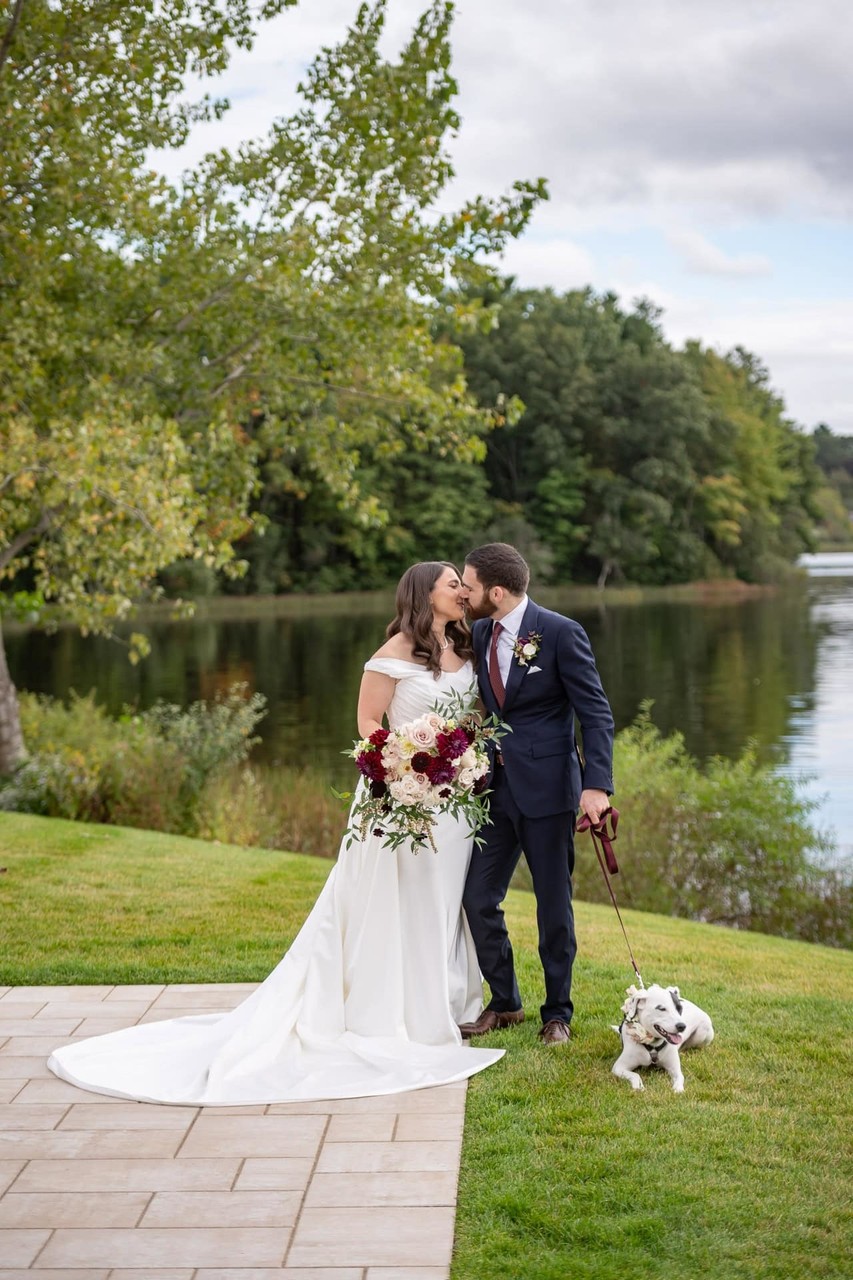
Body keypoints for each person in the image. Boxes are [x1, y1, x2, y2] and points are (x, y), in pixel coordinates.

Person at [47, 562, 504, 1104]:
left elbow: (475, 713)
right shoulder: (391, 655)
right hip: (403, 799)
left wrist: (463, 759)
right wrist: (410, 765)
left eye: (461, 583)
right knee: (398, 901)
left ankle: (449, 1002)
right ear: (423, 594)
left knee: (444, 900)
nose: (461, 591)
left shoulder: (468, 646)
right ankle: (393, 1011)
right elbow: (368, 726)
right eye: (451, 583)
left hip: (454, 802)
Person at [459, 542, 614, 1045]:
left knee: (553, 905)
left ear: (497, 592)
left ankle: (557, 1015)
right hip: (494, 790)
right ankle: (505, 1004)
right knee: (477, 896)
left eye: (470, 586)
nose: (464, 592)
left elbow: (595, 713)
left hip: (550, 792)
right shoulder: (480, 631)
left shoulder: (562, 633)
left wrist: (596, 786)